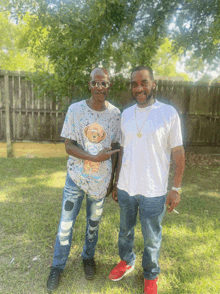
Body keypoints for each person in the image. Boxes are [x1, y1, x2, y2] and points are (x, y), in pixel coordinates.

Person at [109, 66, 185, 294]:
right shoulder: (125, 114)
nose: (138, 88)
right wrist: (115, 183)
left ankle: (151, 274)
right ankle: (127, 261)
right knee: (125, 231)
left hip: (154, 190)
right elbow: (121, 151)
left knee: (152, 238)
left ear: (154, 85)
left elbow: (178, 153)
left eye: (143, 82)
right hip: (126, 187)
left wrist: (176, 188)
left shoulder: (168, 113)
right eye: (134, 84)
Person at [47, 67, 121, 292]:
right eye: (95, 83)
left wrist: (114, 181)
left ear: (109, 86)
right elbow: (68, 146)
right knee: (66, 224)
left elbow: (117, 149)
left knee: (93, 225)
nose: (100, 87)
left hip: (100, 182)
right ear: (89, 85)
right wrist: (92, 157)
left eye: (104, 83)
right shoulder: (75, 110)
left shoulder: (115, 114)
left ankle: (88, 257)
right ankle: (57, 267)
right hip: (75, 179)